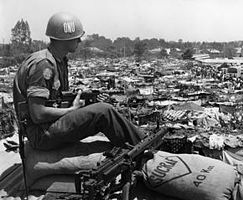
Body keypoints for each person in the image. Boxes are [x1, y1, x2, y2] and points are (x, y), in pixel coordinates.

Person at [13, 12, 145, 151]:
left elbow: (58, 100)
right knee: (104, 111)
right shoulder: (44, 64)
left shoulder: (59, 61)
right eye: (76, 38)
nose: (80, 41)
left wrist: (87, 102)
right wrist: (72, 110)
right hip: (40, 134)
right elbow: (38, 114)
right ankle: (143, 146)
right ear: (64, 39)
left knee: (101, 107)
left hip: (50, 125)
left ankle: (139, 142)